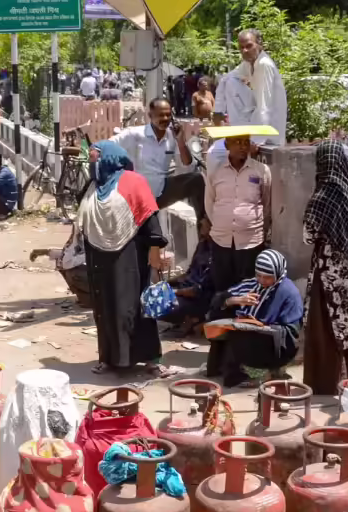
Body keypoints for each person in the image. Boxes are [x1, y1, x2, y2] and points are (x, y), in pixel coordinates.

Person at [76, 141, 173, 377]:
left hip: (129, 257)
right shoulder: (93, 185)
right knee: (104, 308)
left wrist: (155, 251)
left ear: (110, 158)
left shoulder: (133, 181)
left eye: (95, 157)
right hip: (98, 258)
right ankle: (109, 358)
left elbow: (149, 216)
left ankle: (150, 360)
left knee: (135, 308)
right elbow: (83, 215)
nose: (92, 163)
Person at [302, 140, 348, 394]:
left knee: (322, 327)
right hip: (347, 275)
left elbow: (307, 235)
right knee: (345, 325)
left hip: (326, 275)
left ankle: (325, 383)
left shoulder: (322, 195)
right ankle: (347, 381)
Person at [206, 249, 303, 388]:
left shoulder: (288, 292)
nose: (262, 281)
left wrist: (259, 326)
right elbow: (217, 303)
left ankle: (258, 373)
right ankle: (235, 370)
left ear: (278, 273)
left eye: (268, 277)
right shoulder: (252, 284)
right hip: (251, 333)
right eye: (259, 275)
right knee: (223, 323)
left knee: (240, 335)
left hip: (275, 343)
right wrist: (234, 300)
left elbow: (290, 331)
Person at [204, 132, 271, 295]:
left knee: (248, 289)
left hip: (251, 241)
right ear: (227, 145)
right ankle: (222, 320)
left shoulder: (261, 170)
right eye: (237, 142)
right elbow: (209, 202)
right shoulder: (216, 172)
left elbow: (267, 203)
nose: (242, 146)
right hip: (221, 240)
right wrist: (222, 224)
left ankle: (244, 320)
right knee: (222, 288)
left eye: (246, 142)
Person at [111, 98, 197, 211]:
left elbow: (187, 164)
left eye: (168, 115)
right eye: (161, 115)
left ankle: (203, 222)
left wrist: (181, 141)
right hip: (139, 196)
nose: (165, 119)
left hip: (162, 192)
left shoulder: (173, 136)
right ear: (150, 116)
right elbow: (108, 145)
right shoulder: (134, 134)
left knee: (197, 179)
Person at [237, 29, 286, 145]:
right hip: (258, 130)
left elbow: (265, 105)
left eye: (249, 46)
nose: (245, 50)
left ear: (260, 45)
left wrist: (258, 140)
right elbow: (233, 76)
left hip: (268, 134)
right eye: (241, 47)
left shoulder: (263, 64)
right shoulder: (249, 64)